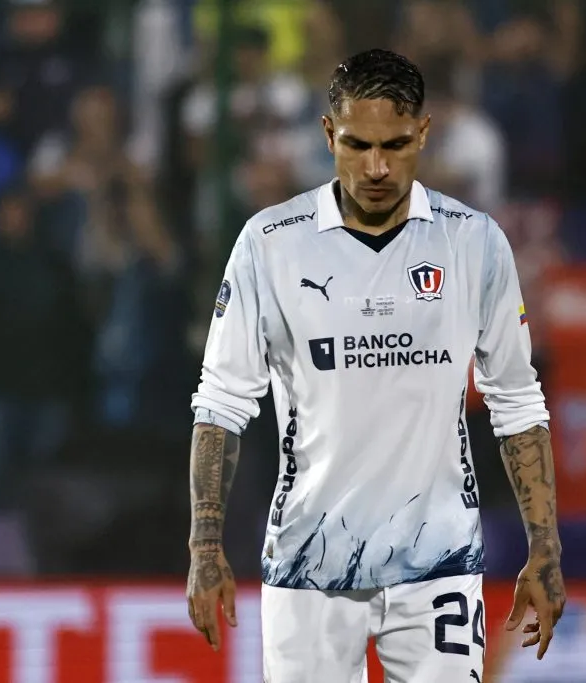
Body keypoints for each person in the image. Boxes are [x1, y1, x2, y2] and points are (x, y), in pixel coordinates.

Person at [185, 49, 565, 682]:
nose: (378, 166)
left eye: (395, 144)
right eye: (358, 144)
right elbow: (221, 403)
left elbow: (517, 401)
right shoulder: (270, 244)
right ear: (328, 133)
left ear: (424, 132)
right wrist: (204, 545)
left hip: (438, 564)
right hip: (308, 567)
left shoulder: (473, 242)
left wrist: (545, 546)